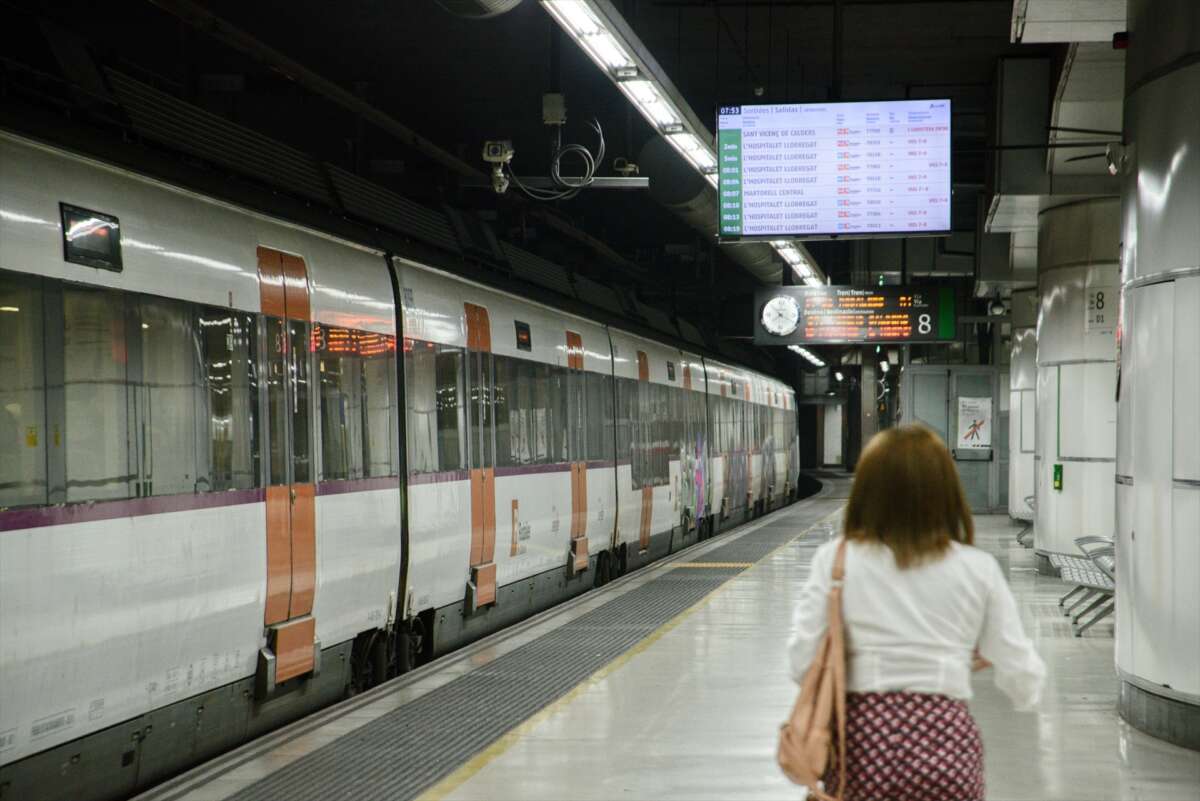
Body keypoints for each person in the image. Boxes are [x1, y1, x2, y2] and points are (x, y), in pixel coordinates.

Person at [787, 425, 1045, 801]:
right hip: (948, 744)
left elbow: (801, 661)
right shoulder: (977, 567)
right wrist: (1012, 687)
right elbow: (1022, 674)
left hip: (863, 745)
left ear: (866, 491)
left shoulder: (837, 561)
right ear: (945, 492)